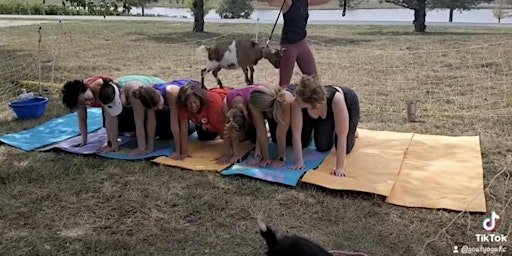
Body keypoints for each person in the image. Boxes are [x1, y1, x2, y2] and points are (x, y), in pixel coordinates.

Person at [290, 75, 360, 177]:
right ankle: (332, 125)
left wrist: (339, 167)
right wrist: (299, 162)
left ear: (310, 102)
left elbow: (341, 136)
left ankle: (351, 129)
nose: (296, 100)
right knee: (322, 147)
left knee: (346, 148)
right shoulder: (298, 101)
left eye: (300, 101)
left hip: (347, 103)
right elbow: (296, 133)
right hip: (323, 112)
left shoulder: (336, 100)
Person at [128, 78, 200, 157]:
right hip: (178, 101)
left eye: (159, 104)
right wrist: (150, 147)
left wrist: (178, 151)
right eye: (156, 107)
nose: (160, 108)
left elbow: (175, 125)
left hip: (194, 95)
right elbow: (151, 123)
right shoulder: (148, 95)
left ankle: (195, 128)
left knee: (197, 131)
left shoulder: (171, 93)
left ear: (159, 95)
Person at [97, 75, 167, 156]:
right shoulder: (106, 93)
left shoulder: (135, 93)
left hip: (156, 100)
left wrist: (143, 147)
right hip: (130, 100)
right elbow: (110, 121)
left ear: (121, 93)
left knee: (158, 127)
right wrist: (112, 145)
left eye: (118, 104)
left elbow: (141, 122)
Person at [266, 0, 330, 86]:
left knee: (314, 80)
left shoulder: (306, 1)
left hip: (302, 44)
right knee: (284, 84)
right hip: (289, 46)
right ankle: (280, 98)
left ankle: (313, 98)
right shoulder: (288, 2)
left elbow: (325, 1)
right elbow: (271, 2)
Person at [247, 83, 312, 168]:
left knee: (301, 142)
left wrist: (281, 158)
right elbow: (260, 130)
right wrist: (263, 157)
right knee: (275, 140)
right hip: (275, 113)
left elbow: (281, 132)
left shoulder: (284, 100)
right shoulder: (254, 103)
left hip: (297, 119)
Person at [172, 84, 232, 160]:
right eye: (189, 104)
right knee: (203, 136)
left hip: (228, 113)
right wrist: (184, 153)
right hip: (206, 122)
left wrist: (227, 153)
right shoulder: (183, 106)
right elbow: (183, 129)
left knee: (237, 138)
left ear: (199, 99)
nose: (193, 106)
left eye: (195, 102)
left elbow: (223, 128)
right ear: (185, 103)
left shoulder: (212, 101)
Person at [61, 75, 123, 146]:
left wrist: (111, 143)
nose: (89, 103)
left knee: (119, 127)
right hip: (111, 105)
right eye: (83, 104)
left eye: (86, 99)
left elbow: (109, 118)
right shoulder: (79, 99)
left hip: (119, 100)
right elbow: (82, 119)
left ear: (87, 88)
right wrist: (84, 141)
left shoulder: (99, 88)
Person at [216, 85, 260, 165]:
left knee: (255, 137)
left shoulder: (253, 105)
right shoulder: (226, 105)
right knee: (242, 138)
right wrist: (228, 154)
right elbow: (228, 130)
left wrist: (257, 156)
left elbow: (261, 132)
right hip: (242, 104)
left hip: (258, 95)